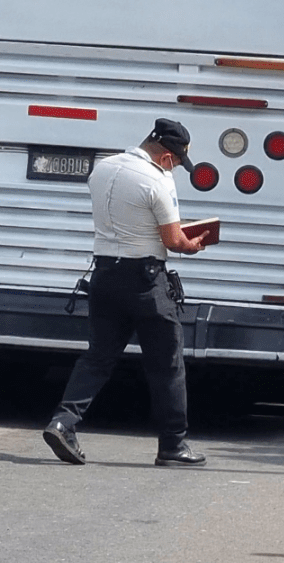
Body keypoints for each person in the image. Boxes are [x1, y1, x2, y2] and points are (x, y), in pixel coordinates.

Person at [43, 119, 209, 467]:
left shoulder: (103, 169)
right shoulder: (157, 182)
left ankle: (62, 422)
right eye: (177, 162)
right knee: (167, 366)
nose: (177, 167)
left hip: (104, 275)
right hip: (145, 282)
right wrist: (194, 245)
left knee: (98, 358)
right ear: (166, 157)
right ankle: (173, 446)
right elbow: (173, 240)